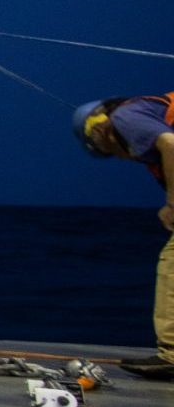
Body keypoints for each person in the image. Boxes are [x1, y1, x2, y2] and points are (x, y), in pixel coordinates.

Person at [73, 93, 174, 380]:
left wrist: (172, 204)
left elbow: (170, 145)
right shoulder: (149, 113)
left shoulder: (125, 117)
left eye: (108, 151)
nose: (124, 155)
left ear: (98, 131)